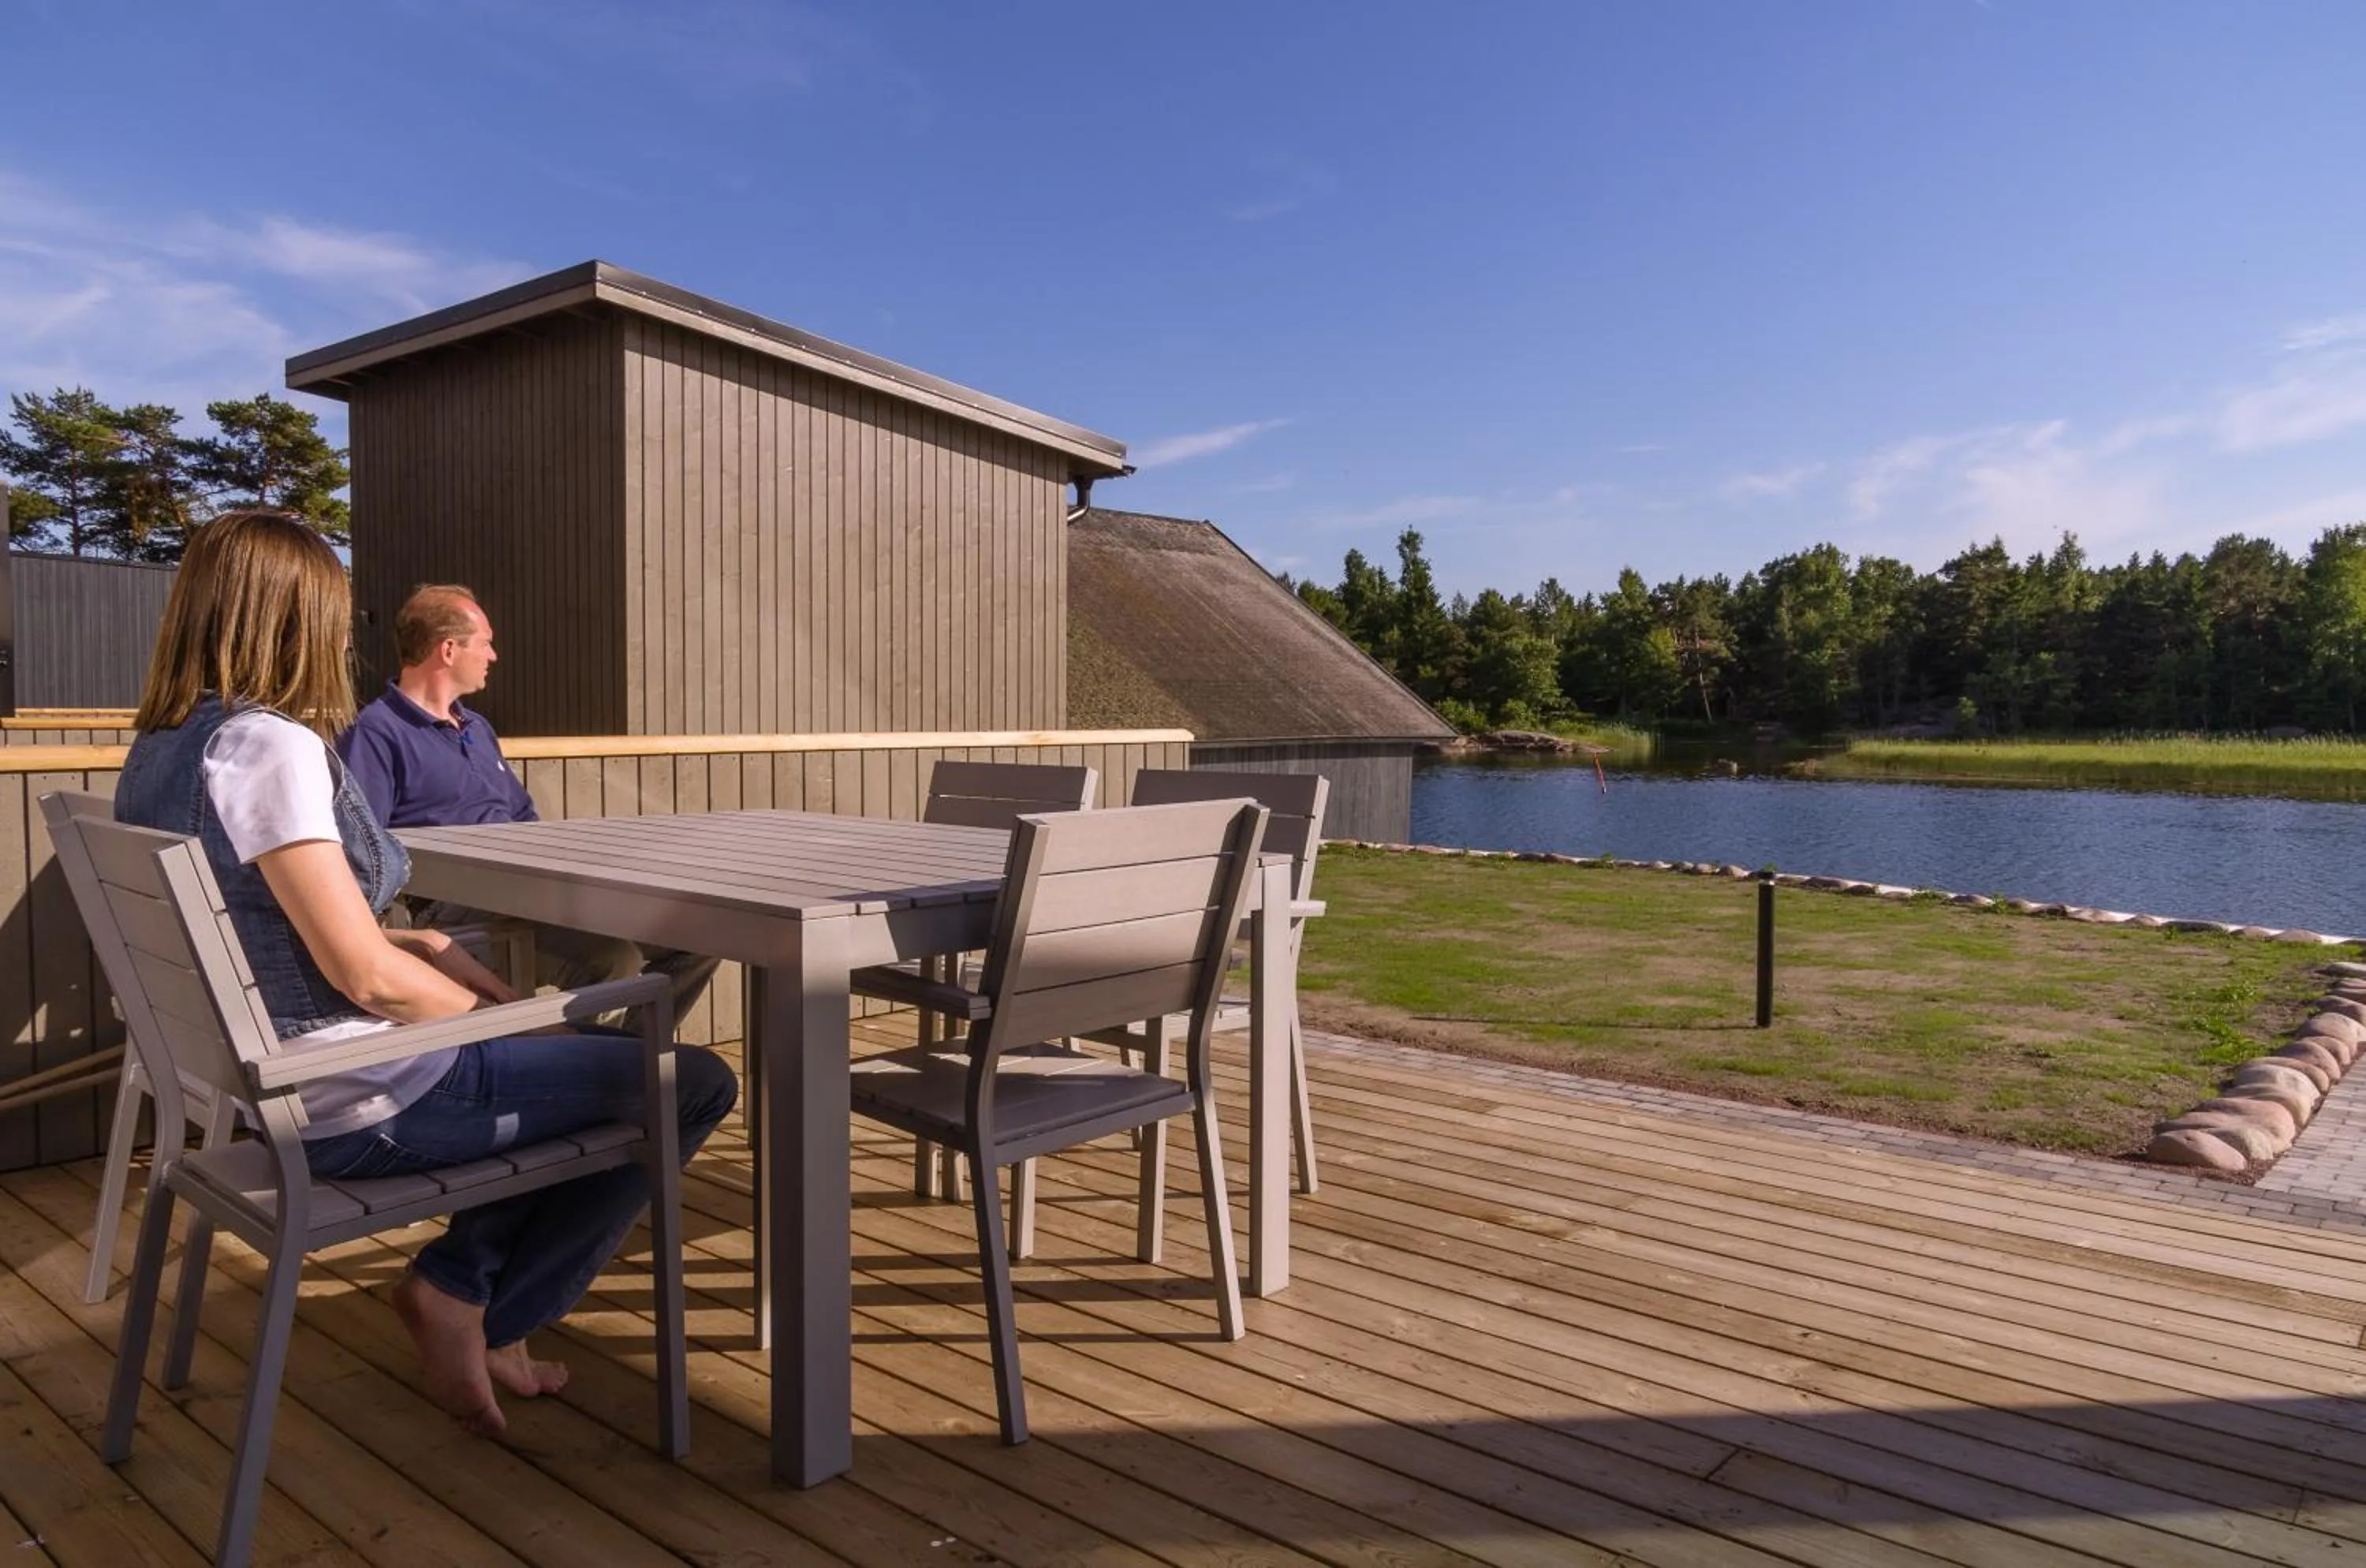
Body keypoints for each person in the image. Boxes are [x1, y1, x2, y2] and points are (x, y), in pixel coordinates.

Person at [114, 511, 737, 1439]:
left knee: (582, 1067)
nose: (339, 632)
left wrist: (430, 948)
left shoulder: (159, 751)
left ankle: (470, 1286)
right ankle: (471, 1301)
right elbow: (363, 974)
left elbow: (274, 929)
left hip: (272, 1085)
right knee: (685, 1080)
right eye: (331, 610)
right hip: (362, 1102)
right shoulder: (268, 744)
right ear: (293, 616)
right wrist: (510, 1022)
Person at [337, 584, 719, 1025]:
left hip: (532, 888)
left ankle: (617, 1070)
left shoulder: (476, 728)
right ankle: (597, 1071)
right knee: (612, 959)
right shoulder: (376, 733)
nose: (493, 656)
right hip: (453, 904)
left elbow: (523, 818)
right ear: (447, 650)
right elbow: (365, 854)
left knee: (700, 939)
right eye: (485, 643)